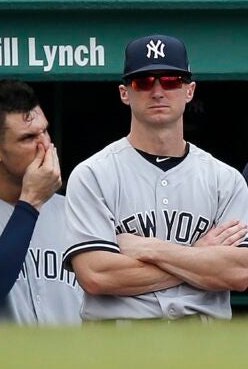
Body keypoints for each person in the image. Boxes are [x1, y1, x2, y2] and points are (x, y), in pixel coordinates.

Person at [63, 34, 248, 322]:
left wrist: (149, 248)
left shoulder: (225, 179)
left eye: (171, 80)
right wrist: (198, 256)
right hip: (116, 347)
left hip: (201, 347)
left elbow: (239, 272)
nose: (158, 91)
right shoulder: (92, 175)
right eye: (144, 82)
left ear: (189, 91)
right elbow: (97, 275)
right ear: (125, 93)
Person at [0, 80, 82, 326]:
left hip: (72, 362)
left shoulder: (73, 208)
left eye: (45, 131)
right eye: (28, 137)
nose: (45, 145)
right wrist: (30, 203)